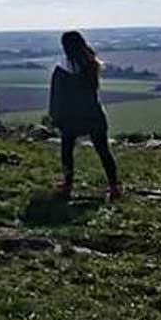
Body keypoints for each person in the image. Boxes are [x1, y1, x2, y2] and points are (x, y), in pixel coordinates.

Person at [48, 30, 122, 201]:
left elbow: (57, 96)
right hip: (93, 114)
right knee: (104, 151)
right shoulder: (91, 64)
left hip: (71, 116)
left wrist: (55, 116)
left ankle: (67, 185)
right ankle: (114, 186)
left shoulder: (62, 69)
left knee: (67, 151)